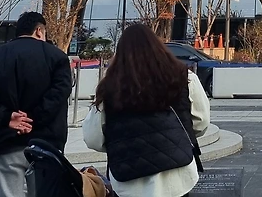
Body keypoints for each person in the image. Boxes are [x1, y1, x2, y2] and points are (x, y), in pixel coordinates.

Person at [83, 23, 211, 197]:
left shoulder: (110, 88)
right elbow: (201, 123)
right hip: (177, 176)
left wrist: (120, 144)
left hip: (128, 180)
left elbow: (92, 138)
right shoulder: (184, 78)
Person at [0, 11, 74, 197]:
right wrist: (32, 119)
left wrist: (7, 117)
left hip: (4, 142)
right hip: (46, 144)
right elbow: (58, 95)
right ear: (39, 31)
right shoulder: (57, 57)